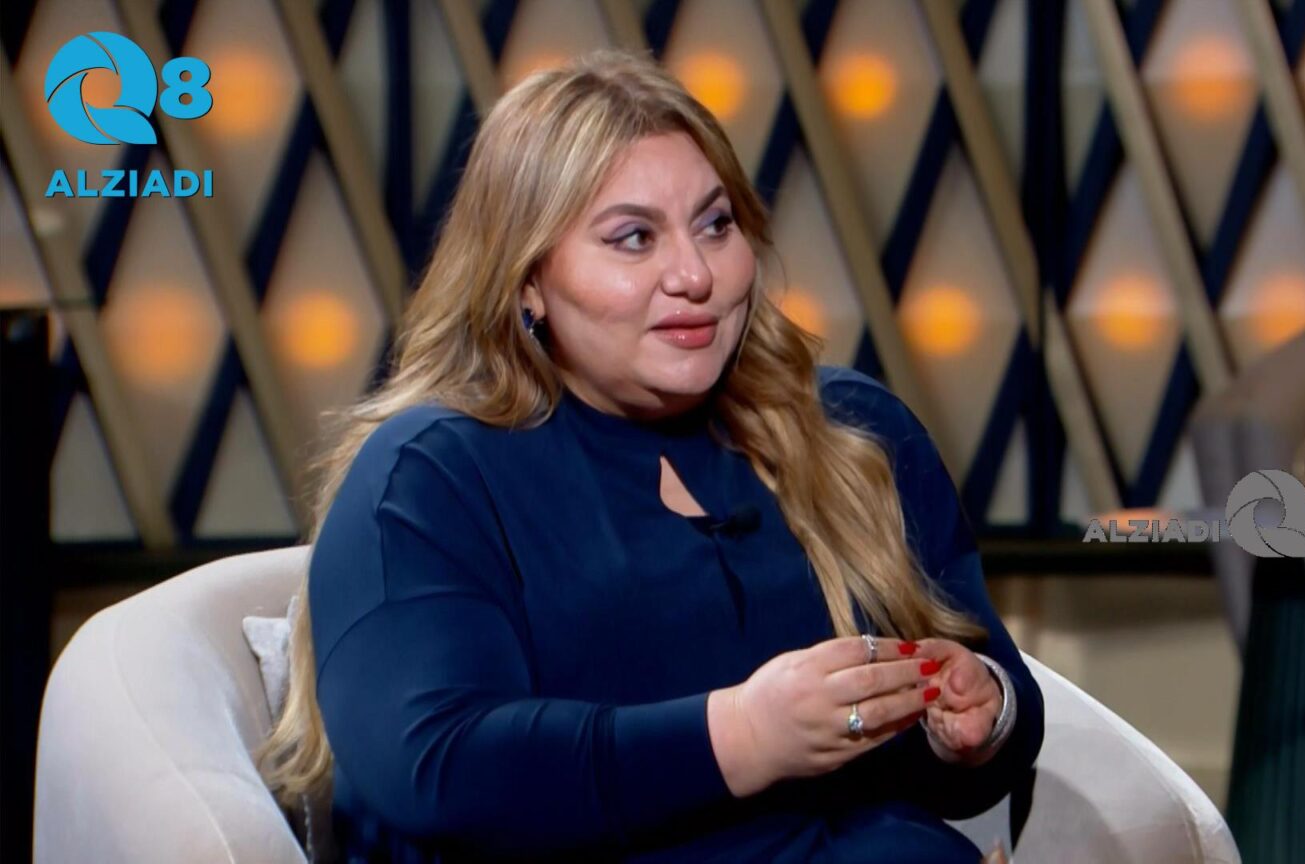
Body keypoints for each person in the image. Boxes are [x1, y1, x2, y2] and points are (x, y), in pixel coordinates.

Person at [258, 48, 1043, 863]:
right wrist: (740, 735)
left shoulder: (850, 431)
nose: (694, 274)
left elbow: (991, 695)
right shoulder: (428, 476)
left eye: (716, 225)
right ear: (528, 281)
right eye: (634, 238)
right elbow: (431, 767)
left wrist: (982, 716)